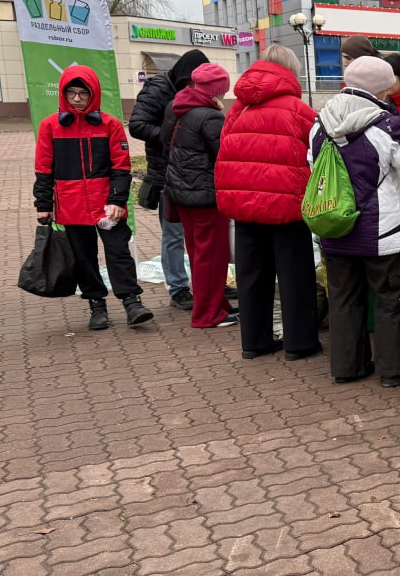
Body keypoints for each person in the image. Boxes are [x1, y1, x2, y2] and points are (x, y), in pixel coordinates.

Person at [310, 56, 400, 387]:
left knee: (344, 299)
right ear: (382, 85)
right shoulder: (383, 125)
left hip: (335, 228)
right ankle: (391, 372)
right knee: (389, 300)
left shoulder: (320, 123)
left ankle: (347, 368)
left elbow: (312, 165)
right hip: (381, 232)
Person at [215, 45, 321, 360]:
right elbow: (317, 154)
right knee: (295, 275)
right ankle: (300, 343)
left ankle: (254, 342)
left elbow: (226, 149)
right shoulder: (299, 110)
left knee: (251, 277)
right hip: (287, 205)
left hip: (244, 204)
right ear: (291, 72)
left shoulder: (237, 109)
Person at [34, 66, 154, 330]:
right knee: (83, 257)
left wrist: (117, 200)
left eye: (83, 94)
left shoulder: (110, 125)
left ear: (93, 95)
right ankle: (96, 304)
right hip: (71, 205)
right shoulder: (50, 127)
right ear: (64, 95)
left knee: (118, 252)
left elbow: (121, 167)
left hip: (106, 206)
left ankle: (131, 302)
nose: (77, 99)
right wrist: (43, 206)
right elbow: (43, 169)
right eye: (72, 93)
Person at [128, 49, 209, 310]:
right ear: (183, 77)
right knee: (173, 234)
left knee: (199, 233)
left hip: (194, 172)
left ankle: (206, 282)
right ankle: (178, 287)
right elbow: (137, 124)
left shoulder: (198, 90)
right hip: (166, 173)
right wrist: (172, 135)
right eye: (192, 83)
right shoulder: (156, 90)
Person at [164, 63, 237, 329]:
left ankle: (215, 304)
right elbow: (224, 157)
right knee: (212, 256)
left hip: (182, 193)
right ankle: (207, 314)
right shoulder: (210, 117)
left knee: (197, 253)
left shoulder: (179, 108)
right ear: (217, 90)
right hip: (205, 195)